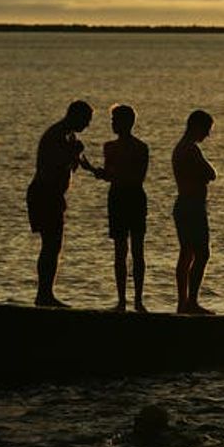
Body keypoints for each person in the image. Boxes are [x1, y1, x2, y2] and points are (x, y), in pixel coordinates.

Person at [27, 100, 94, 307]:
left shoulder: (70, 136)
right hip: (44, 193)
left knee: (54, 245)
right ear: (75, 116)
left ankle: (46, 293)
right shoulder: (56, 135)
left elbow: (77, 165)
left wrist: (97, 171)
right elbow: (55, 163)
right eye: (86, 120)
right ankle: (44, 294)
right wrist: (73, 152)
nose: (88, 125)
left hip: (54, 195)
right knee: (50, 244)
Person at [86, 105, 150, 312]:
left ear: (127, 122)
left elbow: (136, 177)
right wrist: (94, 170)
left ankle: (138, 300)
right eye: (112, 119)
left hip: (133, 197)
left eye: (115, 119)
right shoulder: (109, 147)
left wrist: (104, 173)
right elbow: (110, 174)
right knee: (120, 250)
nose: (112, 123)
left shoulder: (141, 147)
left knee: (137, 250)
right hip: (118, 198)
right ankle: (122, 300)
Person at [172, 110, 216, 315]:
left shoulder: (182, 149)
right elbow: (210, 173)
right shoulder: (189, 149)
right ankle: (190, 301)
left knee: (187, 253)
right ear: (197, 126)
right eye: (206, 130)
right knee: (201, 253)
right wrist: (204, 175)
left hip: (186, 205)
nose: (207, 135)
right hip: (192, 206)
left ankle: (184, 301)